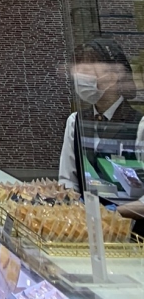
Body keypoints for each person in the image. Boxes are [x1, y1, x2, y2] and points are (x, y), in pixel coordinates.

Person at [59, 38, 144, 195]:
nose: (79, 79)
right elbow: (68, 179)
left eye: (86, 72)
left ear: (112, 77)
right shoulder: (75, 122)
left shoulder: (139, 125)